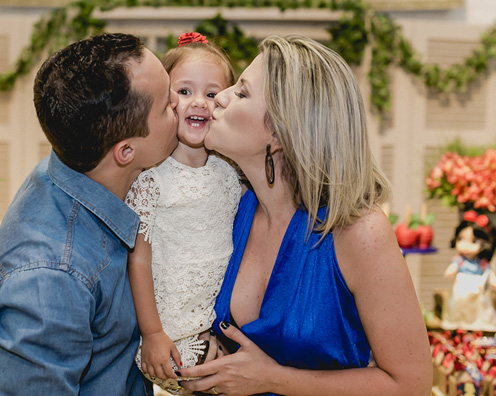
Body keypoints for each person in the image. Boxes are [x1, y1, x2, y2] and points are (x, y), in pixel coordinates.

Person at [178, 35, 431, 395]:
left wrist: (274, 379)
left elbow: (411, 384)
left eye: (243, 92)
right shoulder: (232, 206)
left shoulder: (358, 232)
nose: (220, 96)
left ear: (280, 133)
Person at [0, 32, 178, 395]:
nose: (180, 104)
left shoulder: (75, 162)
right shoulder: (48, 282)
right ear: (126, 151)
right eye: (166, 105)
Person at [124, 32, 241, 395]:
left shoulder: (231, 173)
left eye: (211, 94)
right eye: (185, 91)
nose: (199, 104)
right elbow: (138, 261)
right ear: (164, 100)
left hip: (217, 327)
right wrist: (153, 332)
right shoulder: (151, 179)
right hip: (168, 331)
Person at [442, 211, 496, 329]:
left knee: (479, 309)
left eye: (474, 241)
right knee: (458, 308)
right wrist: (451, 270)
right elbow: (452, 269)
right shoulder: (459, 261)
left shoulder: (481, 263)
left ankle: (476, 327)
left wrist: (493, 280)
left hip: (477, 290)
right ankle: (458, 326)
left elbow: (489, 272)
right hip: (461, 291)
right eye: (461, 239)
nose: (466, 246)